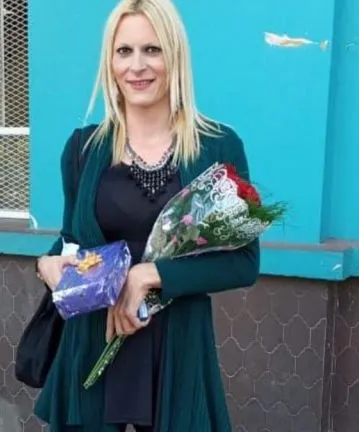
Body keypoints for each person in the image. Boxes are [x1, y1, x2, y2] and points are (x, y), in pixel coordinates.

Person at [33, 0, 259, 430]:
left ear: (174, 55)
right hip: (95, 338)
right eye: (124, 51)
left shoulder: (217, 147)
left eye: (152, 49)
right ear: (110, 61)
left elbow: (244, 263)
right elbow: (71, 240)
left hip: (177, 346)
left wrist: (150, 275)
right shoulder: (83, 149)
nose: (137, 66)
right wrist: (45, 264)